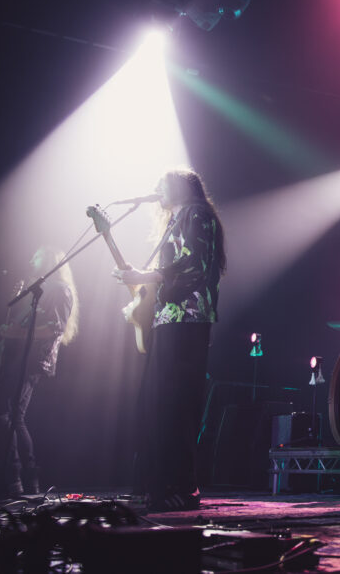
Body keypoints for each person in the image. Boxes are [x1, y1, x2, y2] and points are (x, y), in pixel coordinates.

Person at [113, 168, 226, 512]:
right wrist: (141, 277)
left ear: (179, 187)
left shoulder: (197, 214)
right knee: (158, 404)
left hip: (189, 319)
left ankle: (182, 485)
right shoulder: (178, 220)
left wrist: (145, 275)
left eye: (161, 185)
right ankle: (158, 484)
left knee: (178, 405)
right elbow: (171, 271)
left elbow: (192, 264)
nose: (156, 191)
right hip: (168, 320)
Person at [0, 245, 79, 497]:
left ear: (49, 260)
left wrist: (15, 333)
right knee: (11, 415)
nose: (31, 259)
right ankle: (25, 478)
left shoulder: (60, 290)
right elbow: (18, 326)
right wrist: (1, 346)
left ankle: (18, 476)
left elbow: (54, 328)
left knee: (9, 415)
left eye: (36, 255)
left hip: (32, 360)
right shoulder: (37, 291)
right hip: (19, 357)